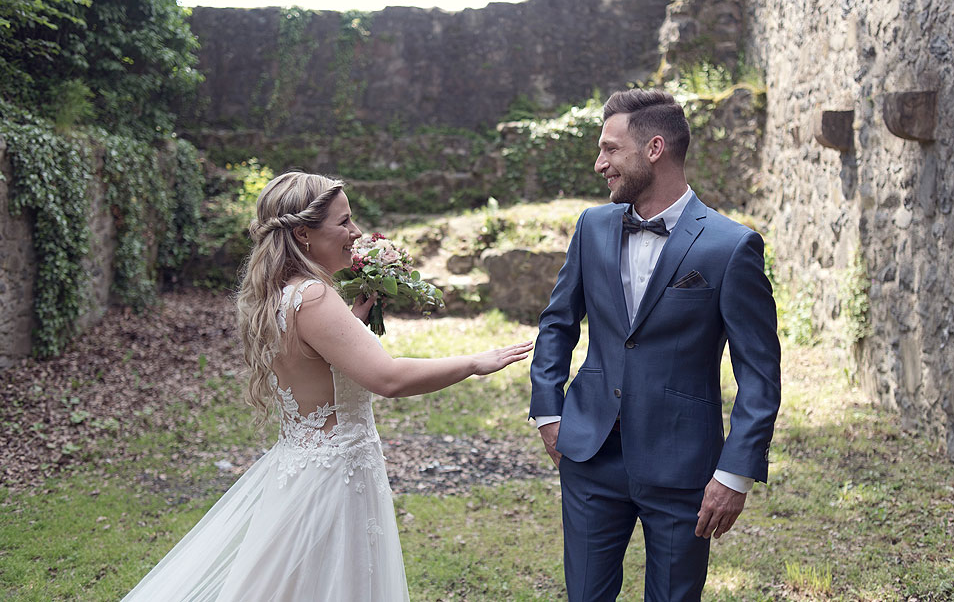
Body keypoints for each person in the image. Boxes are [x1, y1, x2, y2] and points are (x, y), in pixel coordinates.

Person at [124, 171, 532, 601]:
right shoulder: (316, 297)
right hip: (336, 478)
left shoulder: (283, 294)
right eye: (344, 222)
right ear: (303, 234)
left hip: (301, 468)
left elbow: (317, 363)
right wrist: (472, 362)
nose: (355, 233)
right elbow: (387, 378)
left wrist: (352, 320)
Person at [530, 89, 781, 601]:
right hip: (590, 452)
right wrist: (548, 414)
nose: (600, 164)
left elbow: (759, 373)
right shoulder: (591, 227)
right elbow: (557, 323)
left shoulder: (731, 246)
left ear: (654, 148)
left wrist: (735, 473)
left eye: (609, 149)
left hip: (682, 464)